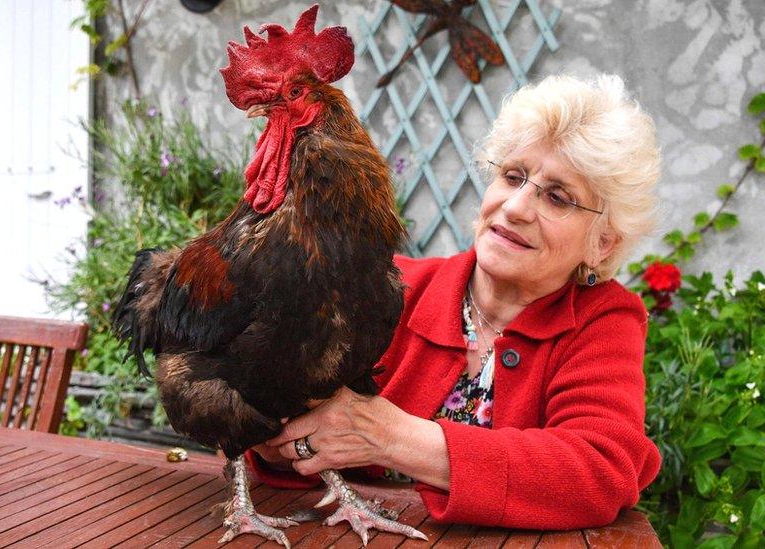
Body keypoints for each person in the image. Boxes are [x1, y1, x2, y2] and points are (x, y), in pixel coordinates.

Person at [248, 73, 663, 530]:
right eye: (513, 177)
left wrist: (391, 437)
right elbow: (291, 431)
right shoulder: (387, 287)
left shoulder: (600, 320)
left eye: (557, 197)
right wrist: (285, 441)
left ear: (602, 243)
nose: (516, 207)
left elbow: (598, 471)